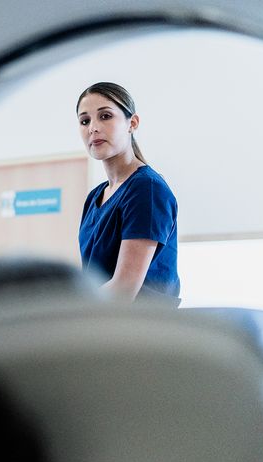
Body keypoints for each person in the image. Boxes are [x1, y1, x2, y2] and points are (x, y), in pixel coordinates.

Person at [76, 82, 180, 306]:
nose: (93, 127)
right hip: (103, 326)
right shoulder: (95, 196)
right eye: (85, 121)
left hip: (141, 330)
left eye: (105, 116)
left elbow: (123, 289)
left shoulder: (147, 189)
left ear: (132, 123)